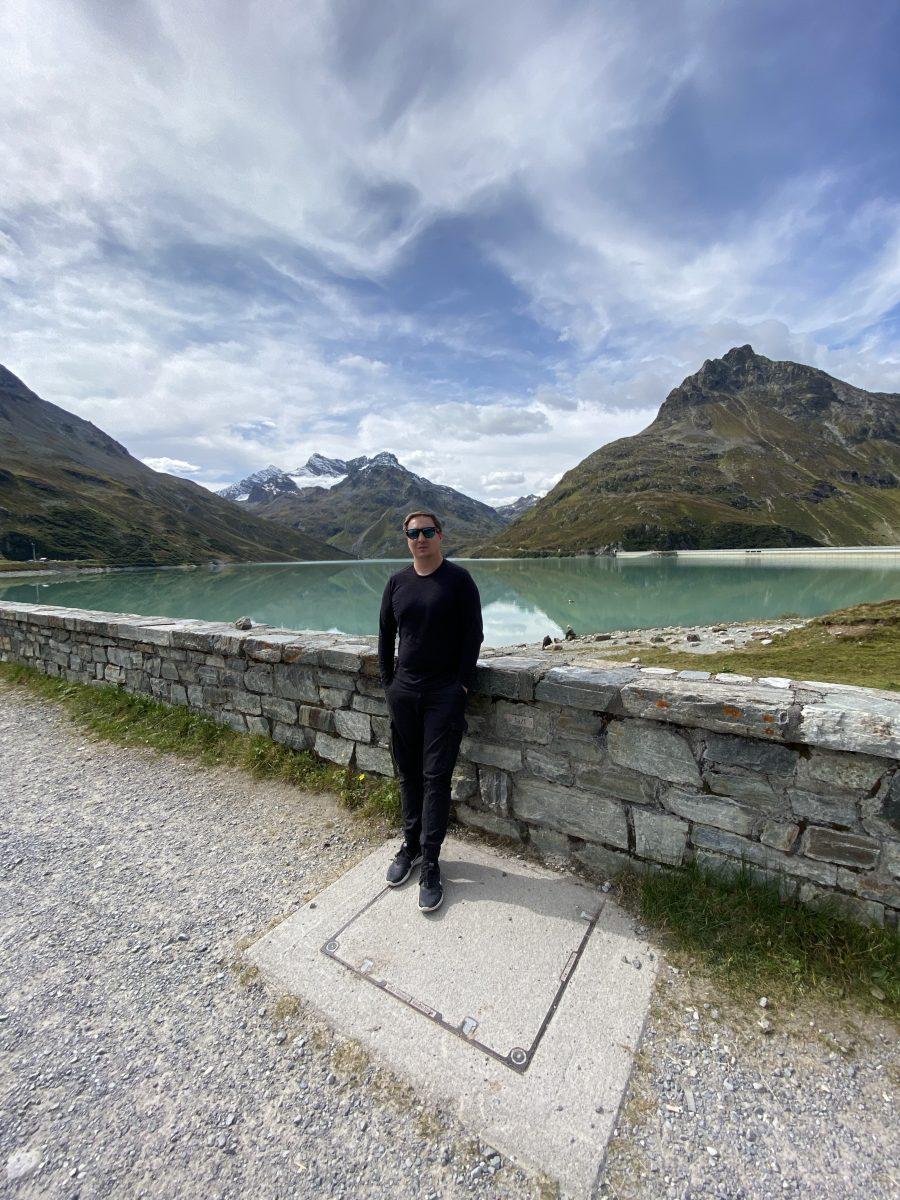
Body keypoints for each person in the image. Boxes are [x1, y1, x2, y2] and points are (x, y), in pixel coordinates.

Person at [378, 510, 483, 913]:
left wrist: (461, 686)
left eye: (427, 531)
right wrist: (389, 684)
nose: (420, 538)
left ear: (440, 535)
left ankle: (432, 861)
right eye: (413, 533)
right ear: (406, 539)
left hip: (443, 694)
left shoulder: (459, 580)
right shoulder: (397, 582)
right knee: (408, 773)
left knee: (436, 777)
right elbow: (386, 634)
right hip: (404, 692)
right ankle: (411, 845)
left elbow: (473, 635)